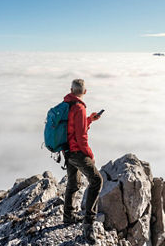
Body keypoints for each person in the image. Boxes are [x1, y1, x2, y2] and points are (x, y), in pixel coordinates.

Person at [63, 79, 103, 245]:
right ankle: (88, 225)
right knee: (96, 181)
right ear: (85, 92)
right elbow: (81, 137)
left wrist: (90, 119)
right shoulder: (79, 107)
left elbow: (73, 127)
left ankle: (68, 216)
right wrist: (90, 155)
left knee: (73, 183)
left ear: (71, 90)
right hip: (77, 152)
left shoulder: (67, 104)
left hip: (66, 150)